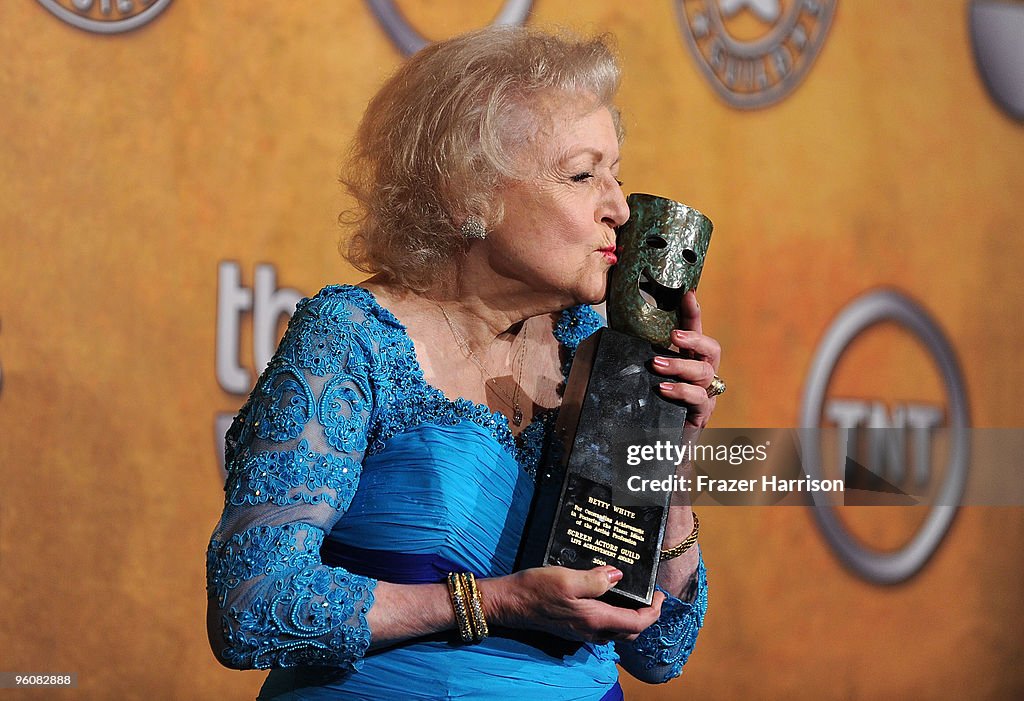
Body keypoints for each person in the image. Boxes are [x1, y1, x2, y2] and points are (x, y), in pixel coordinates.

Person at [206, 25, 721, 700]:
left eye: (617, 175)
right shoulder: (352, 338)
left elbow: (660, 649)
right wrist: (496, 602)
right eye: (582, 175)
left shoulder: (590, 347)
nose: (619, 209)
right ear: (471, 192)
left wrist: (667, 448)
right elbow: (250, 607)